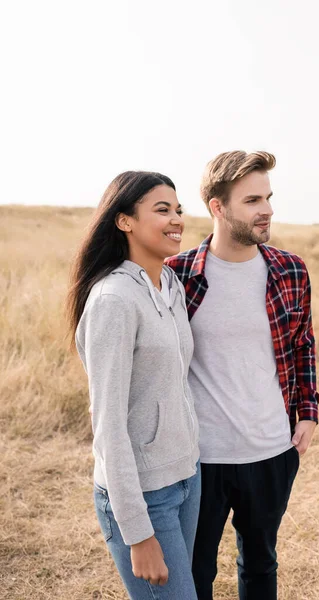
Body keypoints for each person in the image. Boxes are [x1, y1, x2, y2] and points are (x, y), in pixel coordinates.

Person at [166, 151, 319, 600]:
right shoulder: (177, 276)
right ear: (218, 207)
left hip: (271, 449)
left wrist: (307, 413)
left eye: (268, 197)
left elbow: (302, 344)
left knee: (260, 564)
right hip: (198, 457)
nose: (267, 209)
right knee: (195, 572)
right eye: (252, 199)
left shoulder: (290, 269)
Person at [66, 171, 200, 600]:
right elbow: (107, 426)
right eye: (162, 210)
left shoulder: (170, 285)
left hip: (185, 477)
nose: (176, 219)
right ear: (124, 221)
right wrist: (138, 533)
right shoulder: (113, 301)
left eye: (178, 210)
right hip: (143, 494)